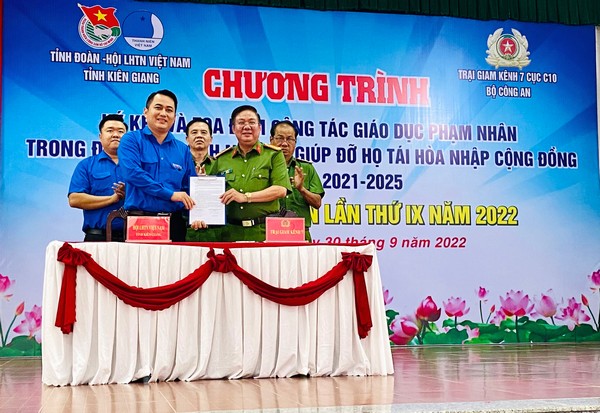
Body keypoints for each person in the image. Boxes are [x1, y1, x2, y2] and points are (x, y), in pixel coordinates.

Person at [191, 105, 291, 242]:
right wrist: (202, 211)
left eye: (251, 122)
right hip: (230, 234)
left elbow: (280, 190)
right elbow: (210, 194)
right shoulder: (222, 159)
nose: (247, 127)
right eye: (241, 122)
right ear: (233, 128)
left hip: (264, 233)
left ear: (259, 127)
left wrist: (245, 197)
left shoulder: (273, 155)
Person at [118, 89, 196, 242]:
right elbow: (132, 173)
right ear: (146, 111)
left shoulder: (183, 150)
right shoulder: (131, 140)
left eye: (169, 110)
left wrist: (199, 214)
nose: (163, 113)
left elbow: (190, 187)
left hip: (175, 224)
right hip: (140, 223)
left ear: (175, 117)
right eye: (158, 107)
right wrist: (170, 194)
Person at [68, 114, 128, 241]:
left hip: (133, 238)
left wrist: (129, 194)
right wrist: (112, 199)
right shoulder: (86, 165)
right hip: (97, 238)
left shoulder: (138, 166)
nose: (116, 135)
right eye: (110, 130)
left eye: (121, 131)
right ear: (100, 136)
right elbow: (74, 199)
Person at [270, 120, 324, 241]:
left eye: (290, 139)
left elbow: (317, 203)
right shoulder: (263, 168)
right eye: (280, 138)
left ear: (295, 143)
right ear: (271, 139)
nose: (284, 144)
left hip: (299, 232)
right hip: (269, 231)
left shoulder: (306, 168)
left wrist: (301, 189)